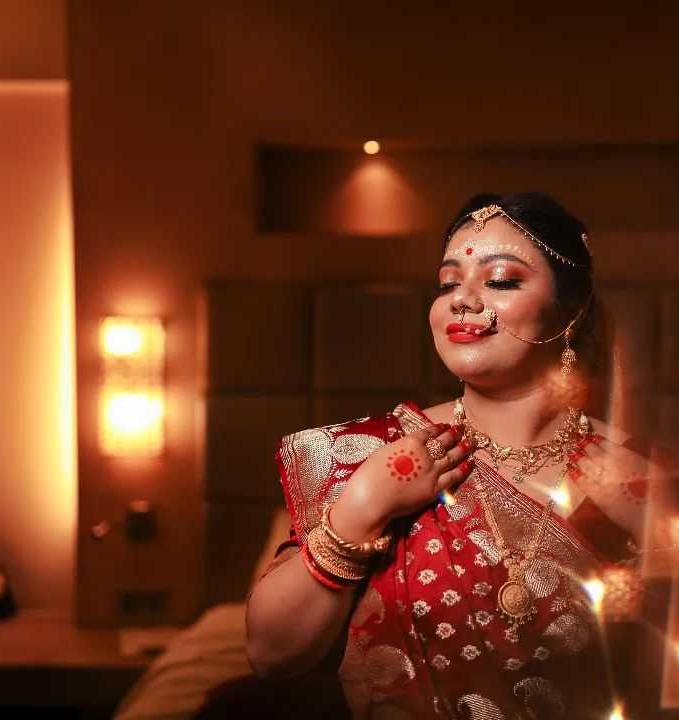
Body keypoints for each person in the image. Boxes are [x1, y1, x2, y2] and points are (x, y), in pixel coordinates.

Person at [246, 193, 656, 719]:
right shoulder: (366, 455)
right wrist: (360, 509)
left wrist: (657, 537)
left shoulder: (637, 478)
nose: (461, 299)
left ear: (571, 311)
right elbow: (270, 654)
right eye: (447, 283)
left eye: (501, 279)